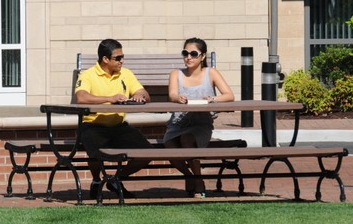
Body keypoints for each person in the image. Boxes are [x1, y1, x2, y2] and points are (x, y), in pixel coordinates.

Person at [74, 39, 153, 198]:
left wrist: (138, 95)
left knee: (148, 152)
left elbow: (145, 94)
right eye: (118, 58)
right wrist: (110, 98)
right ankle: (96, 181)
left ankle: (114, 179)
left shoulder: (126, 73)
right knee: (95, 152)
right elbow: (81, 98)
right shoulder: (88, 75)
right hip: (93, 125)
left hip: (119, 126)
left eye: (122, 57)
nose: (122, 61)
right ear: (105, 59)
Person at [165, 37, 235, 197]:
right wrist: (178, 98)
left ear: (202, 56)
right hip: (178, 123)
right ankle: (190, 176)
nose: (188, 57)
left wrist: (213, 99)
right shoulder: (176, 74)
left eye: (193, 54)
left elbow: (229, 95)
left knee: (187, 139)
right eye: (185, 53)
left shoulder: (211, 73)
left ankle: (198, 181)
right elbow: (172, 94)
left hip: (201, 123)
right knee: (169, 147)